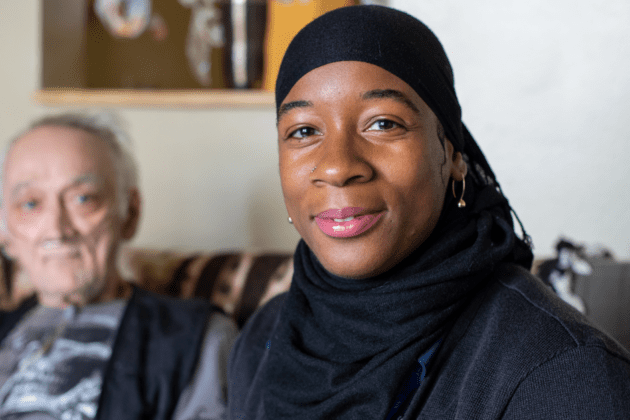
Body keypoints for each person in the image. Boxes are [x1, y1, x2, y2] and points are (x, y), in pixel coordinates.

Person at [228, 5, 630, 419]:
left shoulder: (564, 374)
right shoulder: (262, 340)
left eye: (383, 123)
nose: (337, 166)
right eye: (304, 131)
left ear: (453, 156)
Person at [0, 113, 237, 420]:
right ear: (5, 232)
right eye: (30, 204)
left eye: (83, 199)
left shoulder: (197, 339)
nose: (57, 229)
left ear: (131, 213)